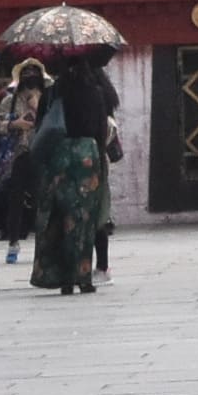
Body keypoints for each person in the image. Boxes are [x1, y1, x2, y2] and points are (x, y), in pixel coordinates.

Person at [33, 54, 116, 295]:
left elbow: (42, 129)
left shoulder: (51, 94)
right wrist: (99, 163)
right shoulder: (96, 93)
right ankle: (85, 276)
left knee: (58, 218)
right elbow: (101, 131)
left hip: (59, 159)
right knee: (85, 220)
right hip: (87, 156)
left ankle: (64, 278)